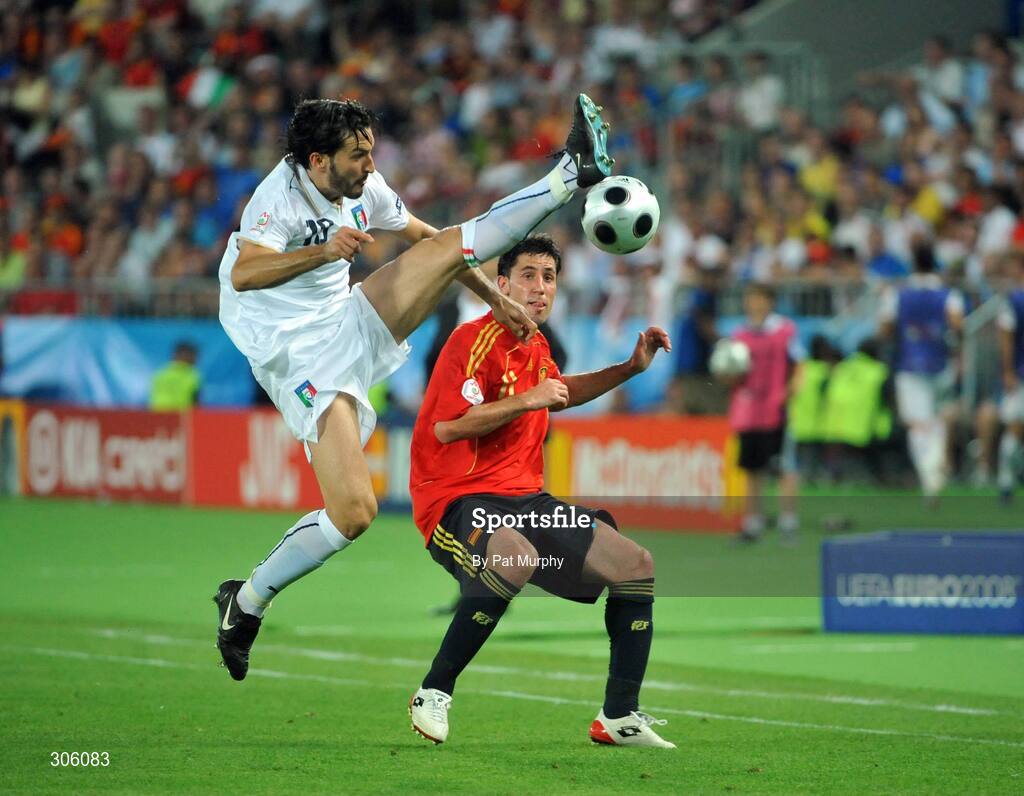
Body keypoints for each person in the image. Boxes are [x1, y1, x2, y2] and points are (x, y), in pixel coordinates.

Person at [212, 95, 614, 680]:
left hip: (349, 320)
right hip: (295, 353)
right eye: (358, 156)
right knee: (353, 512)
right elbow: (246, 273)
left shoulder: (363, 187)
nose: (370, 166)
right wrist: (324, 251)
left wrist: (494, 296)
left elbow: (441, 244)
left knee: (444, 244)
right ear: (318, 161)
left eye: (372, 152)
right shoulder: (277, 199)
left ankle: (568, 174)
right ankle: (245, 602)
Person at [406, 235, 674, 748]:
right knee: (513, 556)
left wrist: (628, 368)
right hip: (458, 500)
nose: (540, 288)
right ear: (500, 285)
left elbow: (561, 393)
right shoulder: (471, 340)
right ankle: (434, 691)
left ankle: (619, 716)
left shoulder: (537, 344)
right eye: (528, 275)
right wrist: (529, 399)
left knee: (635, 564)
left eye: (549, 278)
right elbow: (448, 428)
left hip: (528, 501)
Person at [879, 245, 963, 502]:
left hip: (909, 364)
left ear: (913, 264)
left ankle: (929, 476)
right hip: (941, 363)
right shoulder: (949, 294)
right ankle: (936, 467)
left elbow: (884, 329)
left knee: (917, 424)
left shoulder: (897, 293)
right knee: (937, 418)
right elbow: (958, 326)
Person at [721, 283, 802, 542]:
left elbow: (799, 364)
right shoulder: (740, 334)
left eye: (757, 299)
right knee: (751, 468)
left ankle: (788, 522)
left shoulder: (784, 331)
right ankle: (752, 522)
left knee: (783, 467)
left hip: (775, 410)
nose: (753, 304)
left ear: (769, 302)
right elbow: (732, 373)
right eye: (750, 299)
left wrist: (788, 393)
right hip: (747, 411)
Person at [997, 255, 1024, 502]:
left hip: (1019, 373)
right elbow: (1006, 339)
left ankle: (1007, 479)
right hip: (1020, 375)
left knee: (1015, 430)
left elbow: (1005, 338)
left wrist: (1007, 371)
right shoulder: (1014, 300)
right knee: (1016, 429)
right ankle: (1006, 480)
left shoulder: (1014, 301)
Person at [148, 341, 201, 411]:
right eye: (194, 356)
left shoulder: (160, 373)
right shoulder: (193, 375)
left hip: (156, 414)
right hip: (180, 416)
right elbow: (195, 402)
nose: (196, 359)